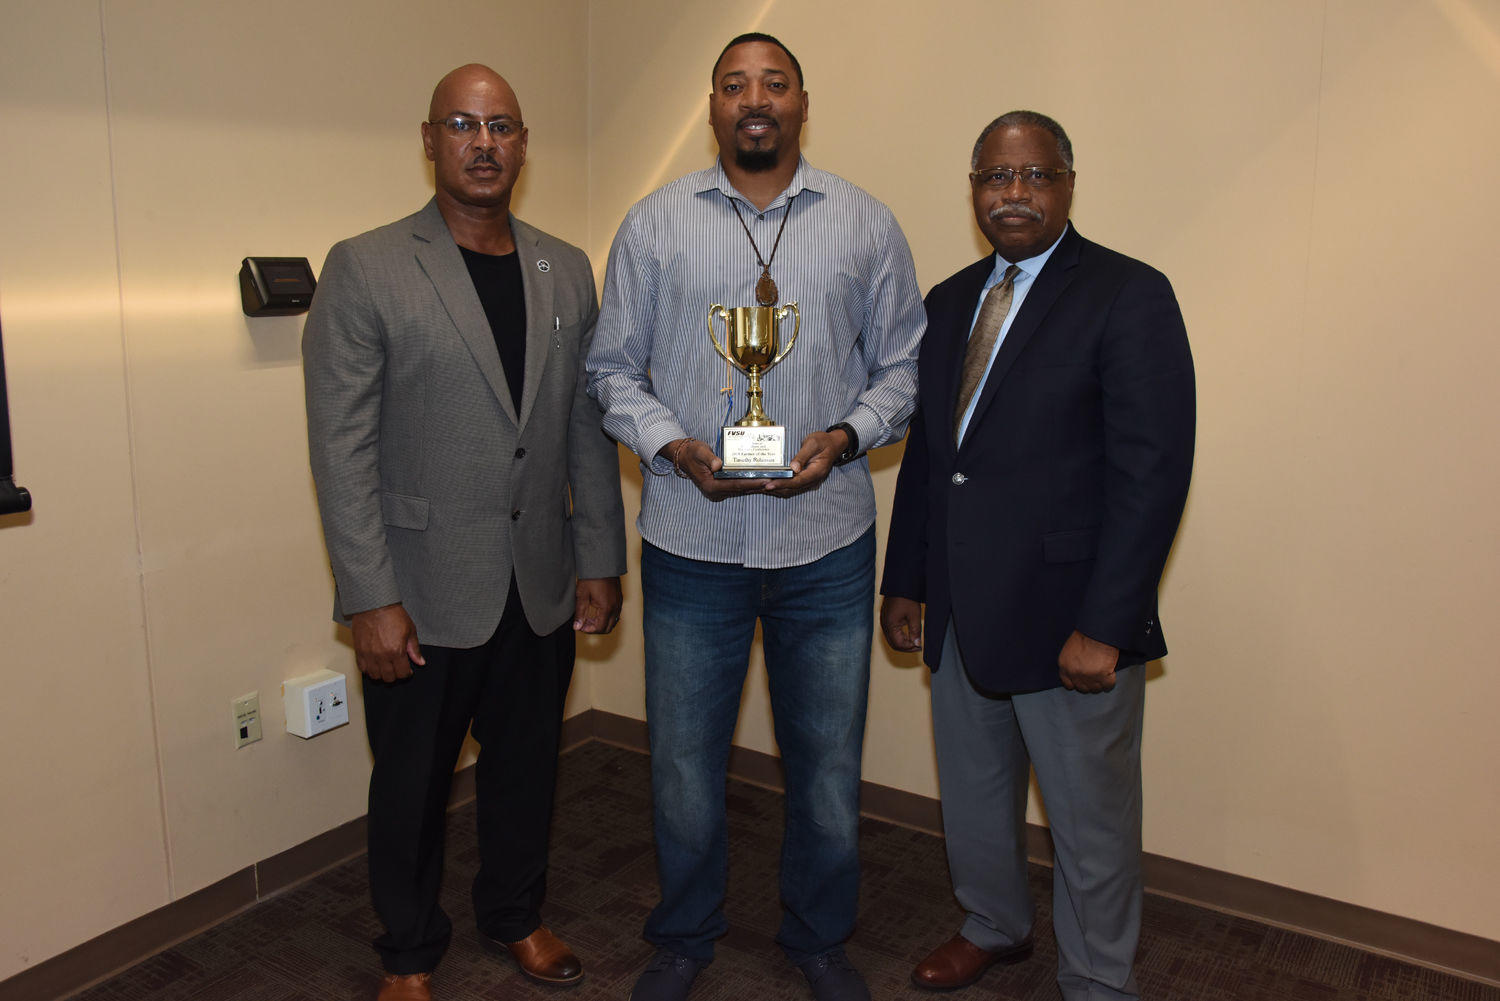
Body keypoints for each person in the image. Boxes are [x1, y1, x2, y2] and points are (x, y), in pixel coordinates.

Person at [585, 32, 924, 1001]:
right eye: (735, 86)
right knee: (684, 765)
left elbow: (904, 363)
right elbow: (613, 368)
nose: (754, 99)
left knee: (825, 766)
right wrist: (669, 445)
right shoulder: (655, 226)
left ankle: (819, 933)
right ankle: (685, 933)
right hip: (692, 542)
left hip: (827, 545)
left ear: (802, 103)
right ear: (714, 107)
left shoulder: (863, 223)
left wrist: (850, 436)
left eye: (773, 83)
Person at [302, 64, 626, 1001]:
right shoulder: (366, 265)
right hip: (421, 587)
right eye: (463, 124)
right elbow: (341, 448)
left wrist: (598, 555)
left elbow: (579, 425)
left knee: (526, 773)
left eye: (502, 127)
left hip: (539, 579)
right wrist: (370, 596)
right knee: (410, 788)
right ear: (430, 139)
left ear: (524, 144)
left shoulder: (565, 266)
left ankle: (515, 916)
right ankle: (407, 950)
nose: (484, 143)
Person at [880, 110, 1195, 1001]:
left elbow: (1153, 472)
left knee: (1090, 823)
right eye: (993, 177)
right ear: (974, 188)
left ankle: (1099, 978)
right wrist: (908, 580)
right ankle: (993, 923)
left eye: (1033, 176)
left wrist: (1108, 622)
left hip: (1071, 622)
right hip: (961, 612)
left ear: (1067, 185)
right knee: (976, 799)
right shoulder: (947, 301)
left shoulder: (1128, 294)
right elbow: (936, 460)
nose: (1011, 194)